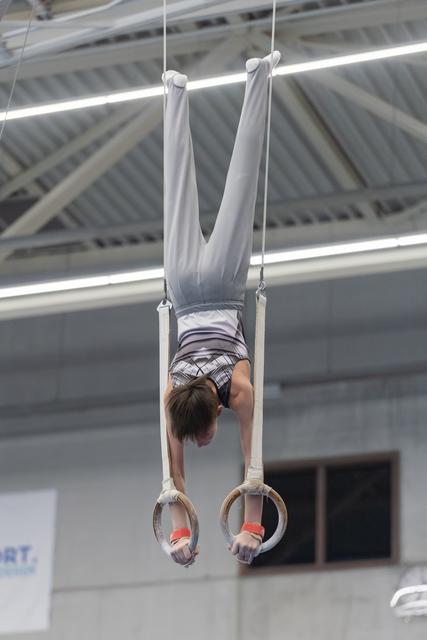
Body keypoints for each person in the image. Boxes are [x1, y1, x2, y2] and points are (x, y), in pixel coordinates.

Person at [163, 50, 281, 567]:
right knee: (177, 190)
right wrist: (178, 533)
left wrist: (252, 526)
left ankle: (258, 76)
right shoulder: (171, 393)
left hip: (225, 287)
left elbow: (250, 461)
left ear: (215, 411)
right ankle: (173, 91)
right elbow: (174, 477)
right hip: (184, 288)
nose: (205, 441)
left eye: (204, 433)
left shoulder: (239, 389)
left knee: (241, 184)